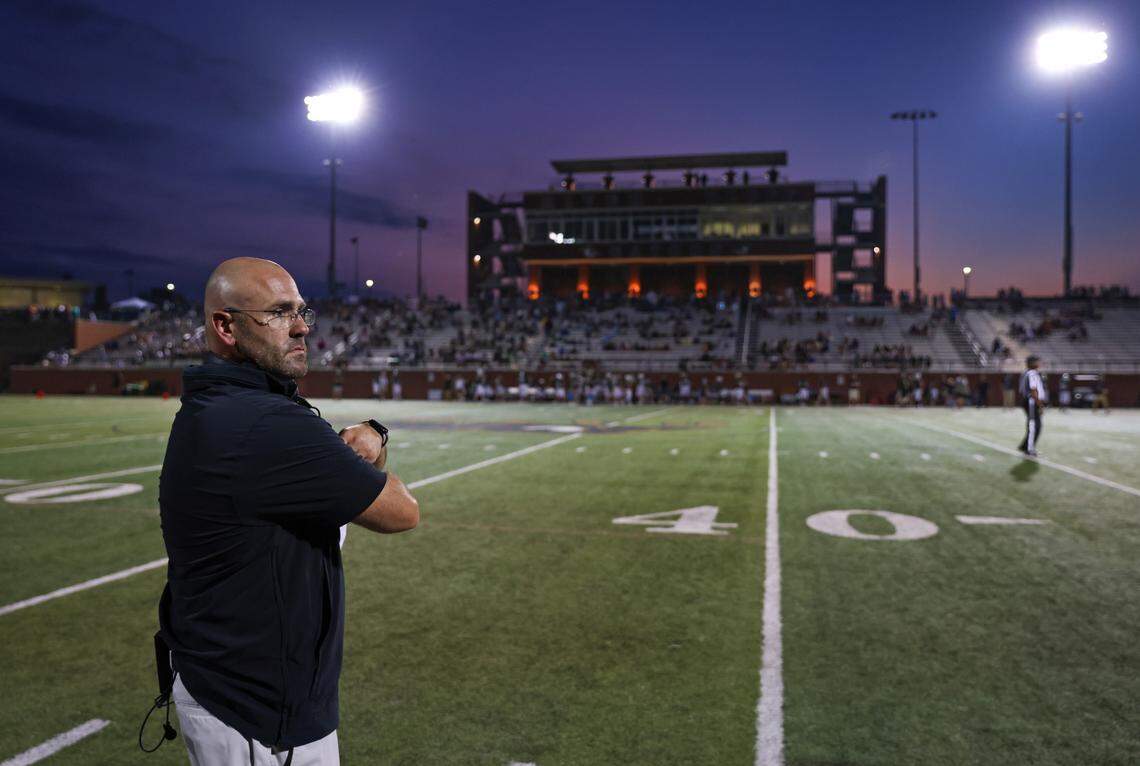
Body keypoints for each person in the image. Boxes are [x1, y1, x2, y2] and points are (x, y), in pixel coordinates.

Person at [154, 258, 419, 765]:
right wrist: (375, 434)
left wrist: (367, 441)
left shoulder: (221, 408)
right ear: (225, 326)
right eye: (278, 313)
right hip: (254, 708)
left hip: (235, 686)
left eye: (301, 311)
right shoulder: (265, 424)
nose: (301, 327)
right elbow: (402, 511)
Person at [1018, 355, 1047, 457]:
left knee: (1034, 425)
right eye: (1037, 361)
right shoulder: (1032, 373)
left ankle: (1025, 446)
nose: (1039, 363)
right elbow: (1033, 390)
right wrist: (1040, 404)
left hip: (1030, 401)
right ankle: (1029, 449)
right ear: (1032, 363)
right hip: (1031, 401)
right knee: (1034, 426)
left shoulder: (1028, 373)